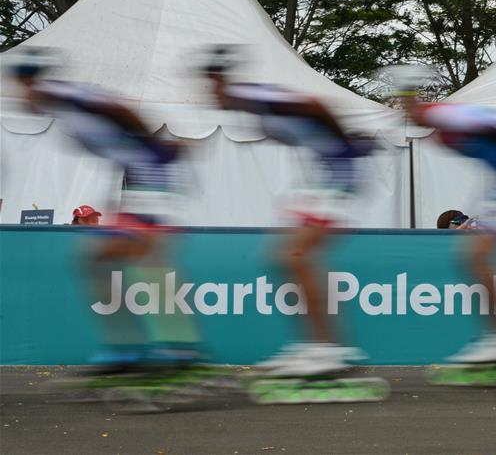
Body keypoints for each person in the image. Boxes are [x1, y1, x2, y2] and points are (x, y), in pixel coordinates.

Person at [11, 48, 198, 372]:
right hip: (140, 179)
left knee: (143, 261)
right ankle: (135, 349)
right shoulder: (60, 109)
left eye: (19, 86)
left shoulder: (62, 95)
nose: (19, 97)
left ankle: (173, 350)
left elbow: (120, 108)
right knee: (100, 258)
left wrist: (154, 145)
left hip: (150, 175)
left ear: (29, 81)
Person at [201, 45, 371, 377]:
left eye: (210, 86)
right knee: (282, 257)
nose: (208, 95)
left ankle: (326, 349)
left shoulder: (254, 97)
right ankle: (319, 345)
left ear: (221, 82)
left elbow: (317, 104)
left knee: (293, 256)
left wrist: (344, 142)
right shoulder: (252, 109)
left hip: (340, 174)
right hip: (324, 178)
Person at [399, 88, 496, 366]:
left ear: (415, 103)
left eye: (406, 108)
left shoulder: (444, 116)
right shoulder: (438, 134)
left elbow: (489, 122)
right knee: (474, 259)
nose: (406, 117)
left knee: (475, 257)